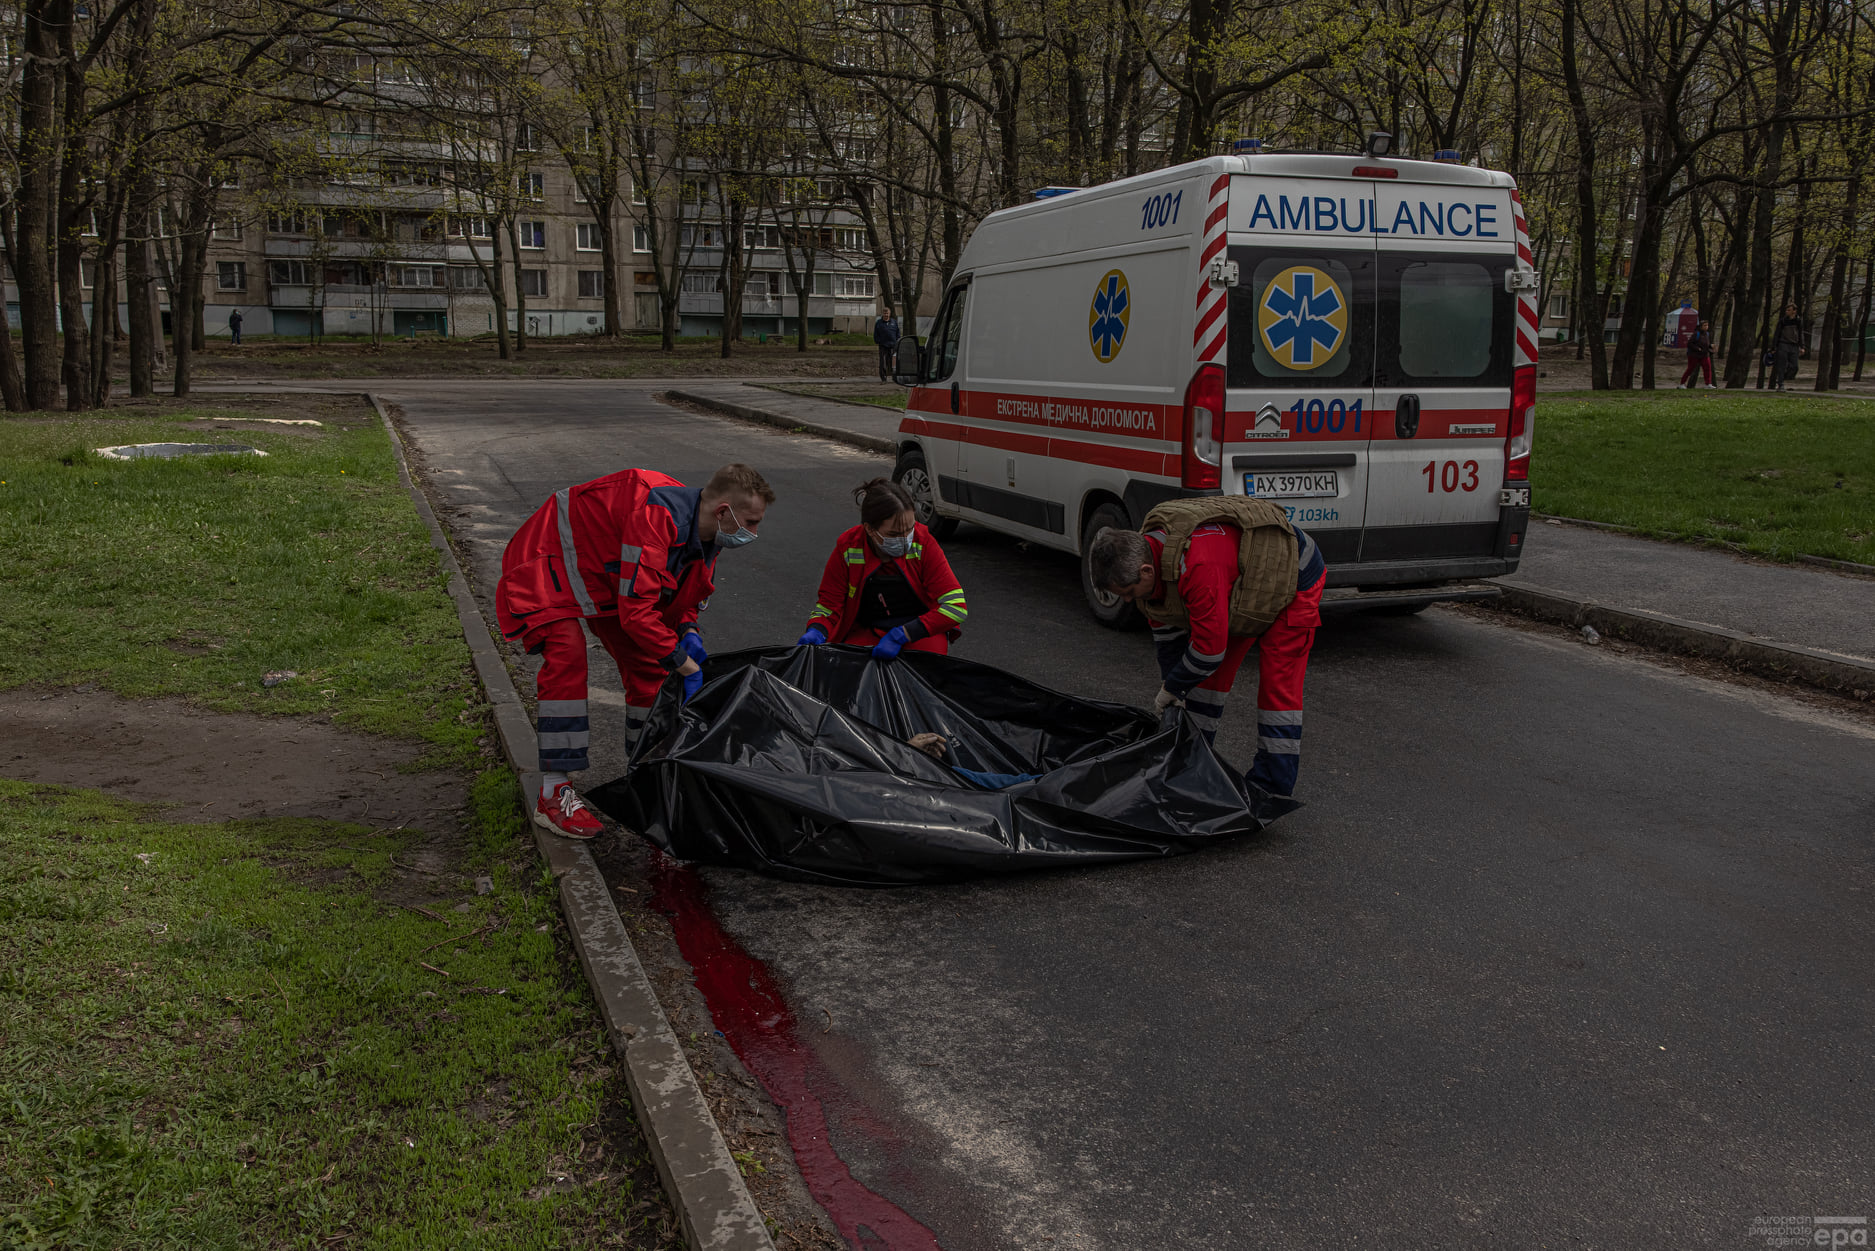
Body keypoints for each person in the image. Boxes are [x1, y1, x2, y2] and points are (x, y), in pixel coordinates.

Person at [496, 463, 775, 838]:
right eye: (751, 522)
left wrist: (688, 629)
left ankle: (646, 774)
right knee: (568, 654)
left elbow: (680, 592)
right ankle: (553, 792)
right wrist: (687, 666)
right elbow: (638, 613)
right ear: (724, 511)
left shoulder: (705, 531)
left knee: (649, 668)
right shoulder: (656, 517)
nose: (754, 533)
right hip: (548, 559)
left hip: (603, 572)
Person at [1088, 497, 1326, 802]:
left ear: (1147, 571)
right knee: (1203, 683)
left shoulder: (1196, 566)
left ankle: (1271, 787)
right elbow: (1171, 647)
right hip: (1239, 584)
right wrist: (1175, 693)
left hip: (1293, 576)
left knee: (1277, 690)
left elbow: (1209, 652)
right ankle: (1189, 765)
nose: (1130, 602)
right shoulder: (1150, 572)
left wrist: (1172, 687)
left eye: (1129, 593)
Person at [798, 477, 967, 658]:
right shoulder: (849, 546)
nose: (905, 539)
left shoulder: (924, 543)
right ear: (869, 529)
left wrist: (904, 634)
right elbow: (828, 605)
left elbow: (955, 607)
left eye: (910, 529)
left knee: (924, 673)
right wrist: (817, 629)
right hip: (867, 630)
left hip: (920, 631)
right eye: (894, 534)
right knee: (848, 673)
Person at [1773, 304, 1805, 390]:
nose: (1787, 312)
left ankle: (1786, 376)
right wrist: (1774, 347)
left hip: (1794, 345)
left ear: (1794, 311)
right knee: (1782, 364)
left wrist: (1802, 346)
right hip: (1783, 344)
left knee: (1794, 366)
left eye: (1789, 310)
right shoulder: (1783, 321)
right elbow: (1777, 334)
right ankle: (1780, 384)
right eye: (1787, 310)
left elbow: (1800, 334)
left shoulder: (1798, 321)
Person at [1679, 319, 1713, 388]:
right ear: (1701, 326)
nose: (1706, 327)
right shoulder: (1696, 334)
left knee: (1707, 368)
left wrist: (1710, 346)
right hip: (1694, 355)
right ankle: (1682, 383)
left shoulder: (1707, 334)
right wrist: (1697, 348)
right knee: (1690, 369)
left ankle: (1708, 384)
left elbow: (1706, 344)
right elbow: (1690, 344)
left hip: (1704, 354)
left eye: (1707, 325)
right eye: (1704, 325)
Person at [872, 307, 901, 381]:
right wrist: (878, 341)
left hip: (892, 345)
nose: (886, 315)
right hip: (883, 346)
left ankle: (894, 377)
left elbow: (898, 332)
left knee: (892, 362)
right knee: (883, 362)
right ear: (883, 314)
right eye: (885, 313)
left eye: (887, 313)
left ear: (889, 314)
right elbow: (876, 334)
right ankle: (883, 378)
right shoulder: (879, 323)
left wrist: (897, 340)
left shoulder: (894, 322)